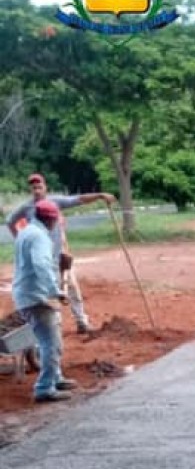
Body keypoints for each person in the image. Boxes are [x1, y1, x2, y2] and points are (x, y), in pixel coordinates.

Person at [6, 173, 115, 333]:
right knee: (49, 294)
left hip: (60, 254)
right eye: (33, 187)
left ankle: (81, 322)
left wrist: (99, 195)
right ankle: (52, 328)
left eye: (39, 186)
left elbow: (78, 199)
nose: (36, 190)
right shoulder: (27, 207)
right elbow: (10, 220)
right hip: (42, 259)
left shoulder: (55, 202)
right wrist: (19, 237)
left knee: (72, 288)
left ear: (45, 187)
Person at [11, 199, 79, 404]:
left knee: (47, 339)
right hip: (36, 298)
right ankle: (44, 388)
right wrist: (55, 292)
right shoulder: (40, 237)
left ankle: (55, 378)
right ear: (51, 220)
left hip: (28, 294)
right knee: (52, 343)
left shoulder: (27, 231)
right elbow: (41, 265)